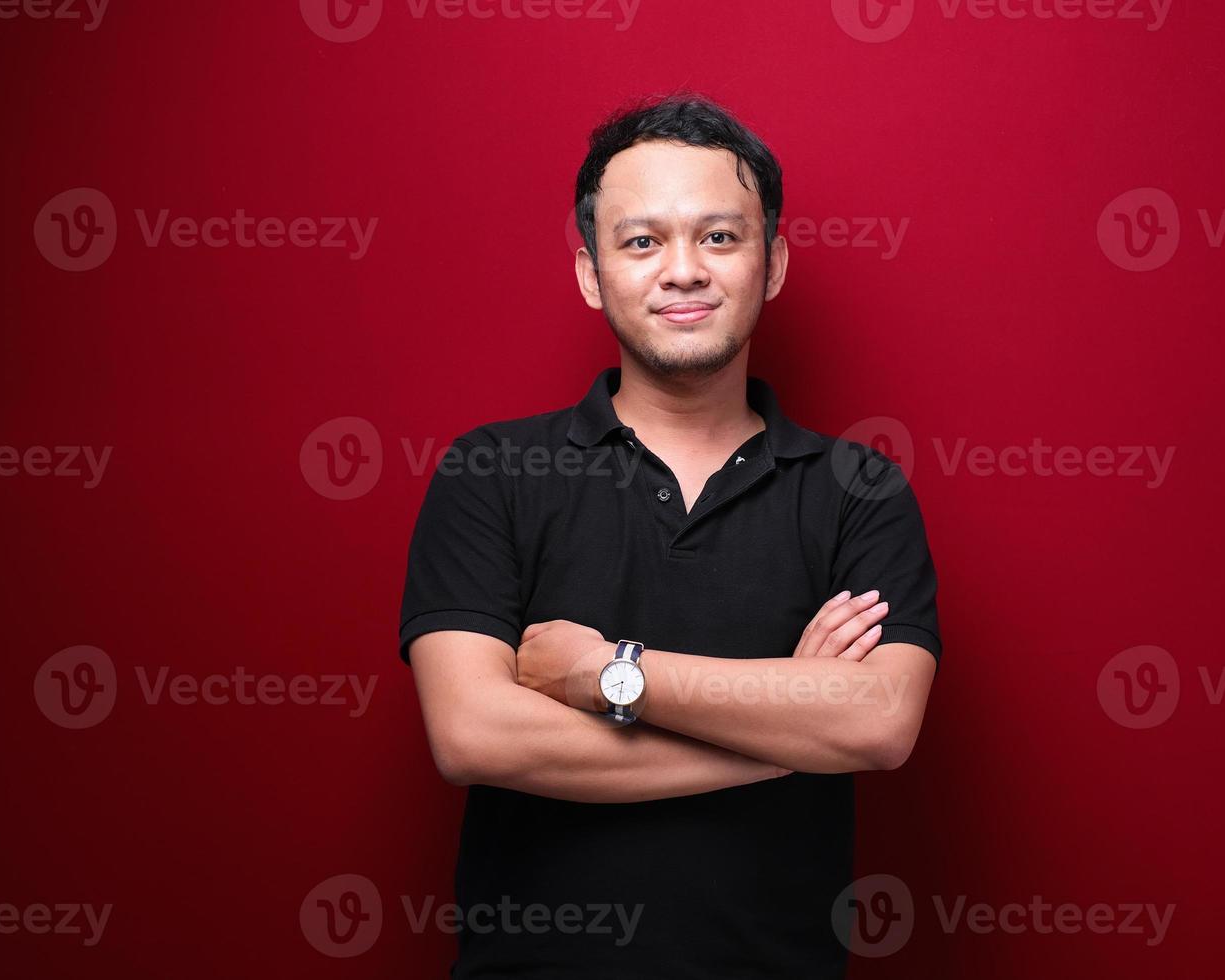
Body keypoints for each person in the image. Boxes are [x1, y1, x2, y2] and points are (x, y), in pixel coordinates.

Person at [399, 91, 942, 979]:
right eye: (642, 241)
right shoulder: (489, 470)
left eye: (720, 237)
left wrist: (602, 673)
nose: (682, 270)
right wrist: (786, 733)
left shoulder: (860, 490)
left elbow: (879, 722)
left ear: (771, 265)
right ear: (590, 274)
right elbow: (475, 736)